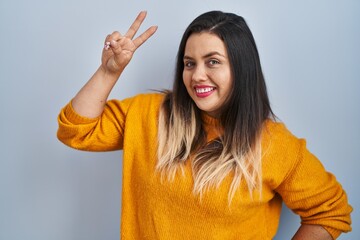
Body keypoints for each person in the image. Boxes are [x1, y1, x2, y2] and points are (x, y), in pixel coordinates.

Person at [57, 10, 352, 239]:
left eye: (212, 62)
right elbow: (75, 131)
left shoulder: (273, 143)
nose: (197, 75)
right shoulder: (148, 114)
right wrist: (109, 72)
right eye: (189, 63)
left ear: (241, 67)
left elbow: (331, 211)